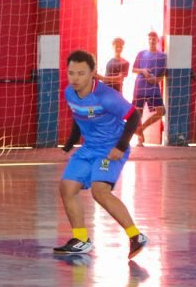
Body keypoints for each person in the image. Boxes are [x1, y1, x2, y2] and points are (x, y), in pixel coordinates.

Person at [54, 49, 148, 259]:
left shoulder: (106, 96)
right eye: (71, 73)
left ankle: (136, 236)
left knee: (100, 191)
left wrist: (121, 147)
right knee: (67, 187)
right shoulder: (69, 92)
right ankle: (81, 240)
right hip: (88, 148)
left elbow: (134, 116)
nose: (75, 78)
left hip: (110, 149)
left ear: (92, 73)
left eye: (81, 73)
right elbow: (79, 117)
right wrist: (68, 145)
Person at [131, 31, 167, 146]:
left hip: (153, 88)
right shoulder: (141, 54)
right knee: (138, 113)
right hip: (140, 86)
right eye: (149, 39)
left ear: (157, 40)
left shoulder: (162, 56)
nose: (151, 41)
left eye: (153, 39)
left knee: (161, 111)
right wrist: (143, 71)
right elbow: (133, 69)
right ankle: (140, 139)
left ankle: (141, 129)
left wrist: (157, 80)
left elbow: (163, 73)